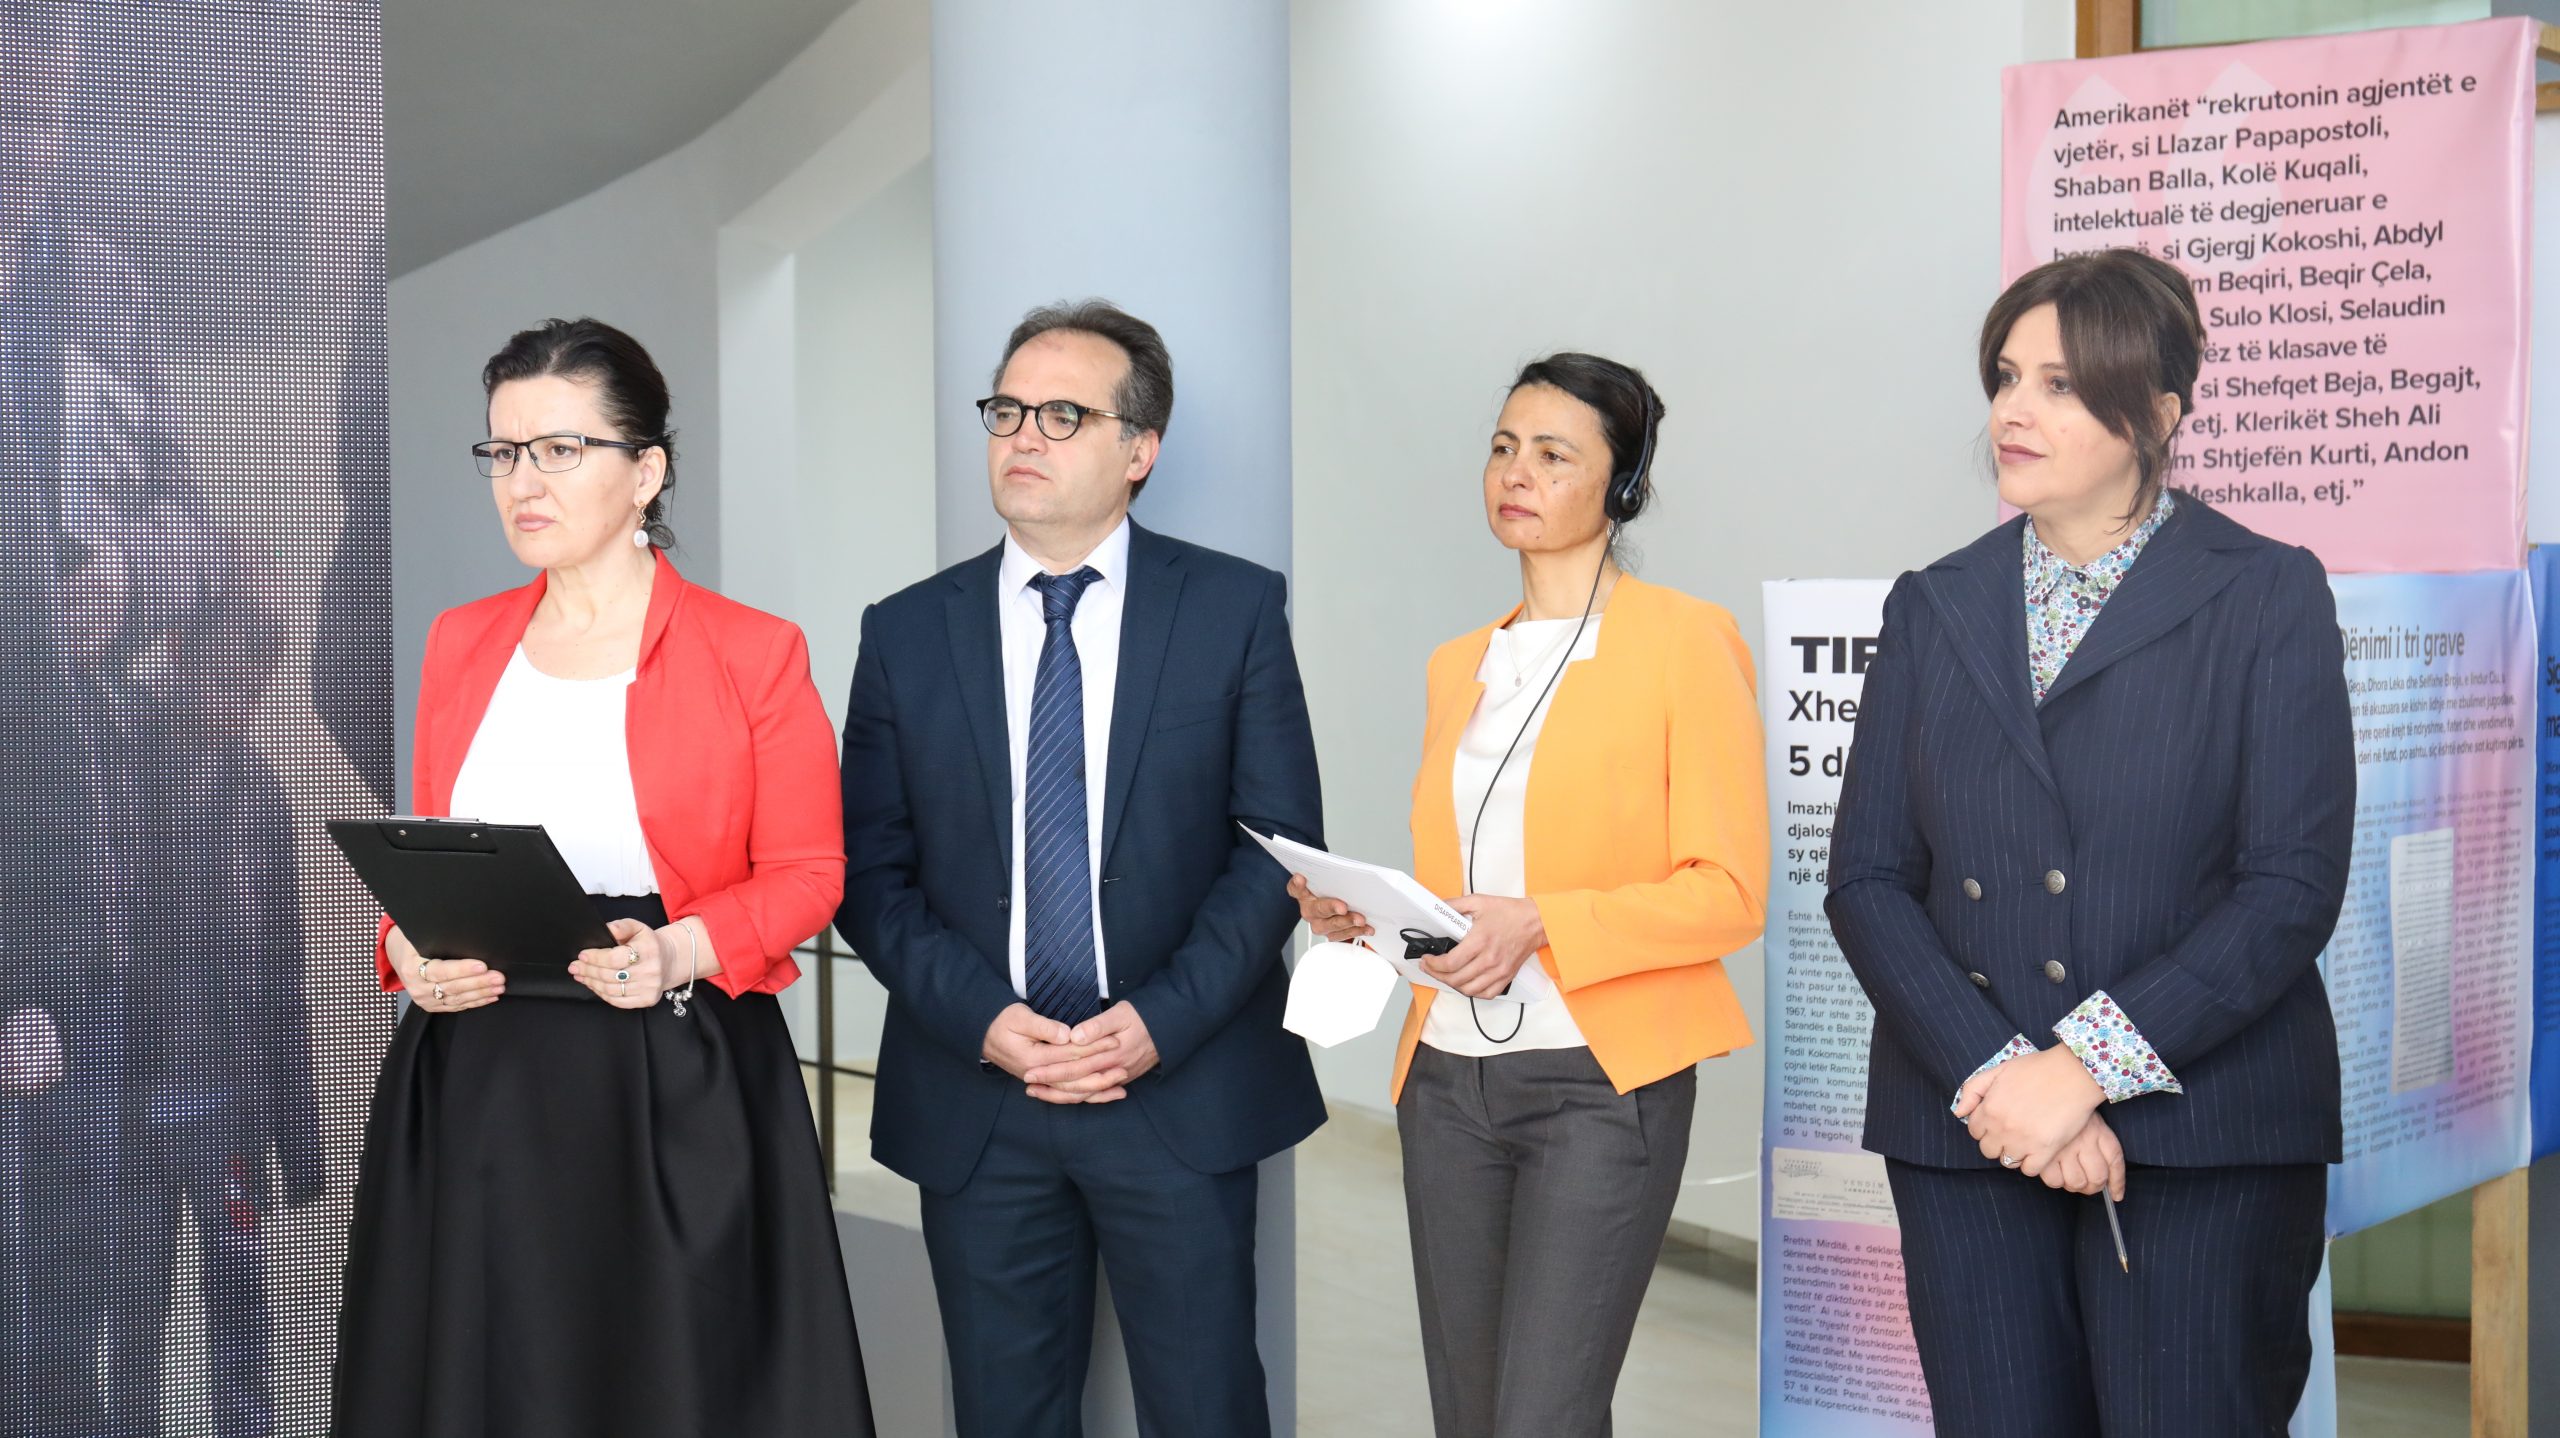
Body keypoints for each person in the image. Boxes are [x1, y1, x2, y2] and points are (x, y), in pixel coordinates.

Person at [1826, 249, 2354, 1435]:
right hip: (1968, 1132)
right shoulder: (1934, 603)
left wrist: (2078, 1072)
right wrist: (1999, 1078)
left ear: (2157, 414)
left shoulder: (2264, 594)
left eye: (2060, 385)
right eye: (2006, 376)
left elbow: (2288, 885)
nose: (2013, 410)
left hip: (2204, 1134)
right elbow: (1867, 877)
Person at [332, 318, 874, 1438]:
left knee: (666, 1389)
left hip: (670, 1070)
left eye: (559, 450)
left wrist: (679, 949)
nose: (522, 482)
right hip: (474, 1079)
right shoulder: (459, 641)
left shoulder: (754, 649)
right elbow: (431, 857)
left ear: (647, 471)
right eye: (502, 451)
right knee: (481, 1385)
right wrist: (404, 950)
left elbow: (810, 871)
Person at [837, 299, 1326, 1437]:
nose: (1024, 436)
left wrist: (1158, 1022)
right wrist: (985, 1020)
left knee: (1206, 1410)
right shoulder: (905, 631)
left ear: (1140, 450)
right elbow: (869, 870)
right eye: (1007, 410)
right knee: (1004, 1416)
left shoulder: (1233, 608)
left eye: (1064, 415)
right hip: (981, 1094)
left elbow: (1274, 850)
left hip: (1178, 1084)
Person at [1290, 352, 1769, 1436]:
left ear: (1621, 484)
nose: (1517, 472)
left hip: (1599, 1084)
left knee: (1542, 1417)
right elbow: (1461, 891)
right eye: (1505, 447)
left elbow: (1730, 892)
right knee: (1469, 1416)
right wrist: (1366, 920)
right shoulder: (1458, 663)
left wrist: (1545, 921)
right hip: (1445, 1082)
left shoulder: (1684, 641)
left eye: (1554, 454)